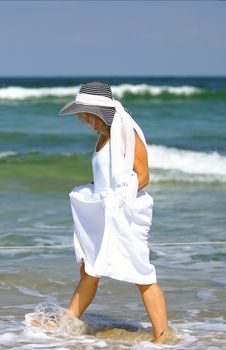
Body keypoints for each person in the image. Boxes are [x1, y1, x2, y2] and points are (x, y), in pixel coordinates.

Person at [59, 82, 169, 343]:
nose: (83, 118)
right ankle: (64, 325)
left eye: (86, 113)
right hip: (104, 213)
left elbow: (142, 176)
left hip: (125, 215)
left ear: (98, 111)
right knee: (89, 271)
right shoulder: (103, 135)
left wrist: (117, 202)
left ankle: (162, 337)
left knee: (142, 275)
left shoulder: (126, 132)